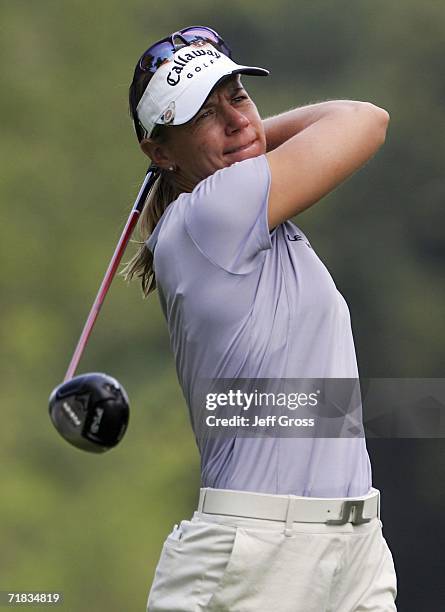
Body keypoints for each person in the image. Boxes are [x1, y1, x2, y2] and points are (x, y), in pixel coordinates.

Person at [123, 26, 397, 612]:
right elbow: (364, 119)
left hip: (354, 548)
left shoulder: (256, 221)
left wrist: (240, 138)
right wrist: (255, 139)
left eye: (237, 97)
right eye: (203, 113)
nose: (236, 121)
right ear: (160, 153)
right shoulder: (214, 215)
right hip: (255, 557)